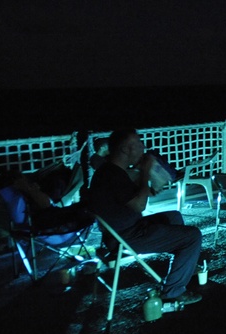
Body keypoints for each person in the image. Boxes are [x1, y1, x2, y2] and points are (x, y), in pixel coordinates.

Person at [85, 128, 203, 308]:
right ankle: (173, 293)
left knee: (173, 216)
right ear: (125, 149)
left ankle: (185, 267)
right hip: (126, 236)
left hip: (124, 229)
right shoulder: (113, 175)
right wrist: (146, 172)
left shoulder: (111, 170)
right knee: (193, 236)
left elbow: (134, 195)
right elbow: (140, 205)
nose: (143, 148)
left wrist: (146, 183)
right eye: (139, 144)